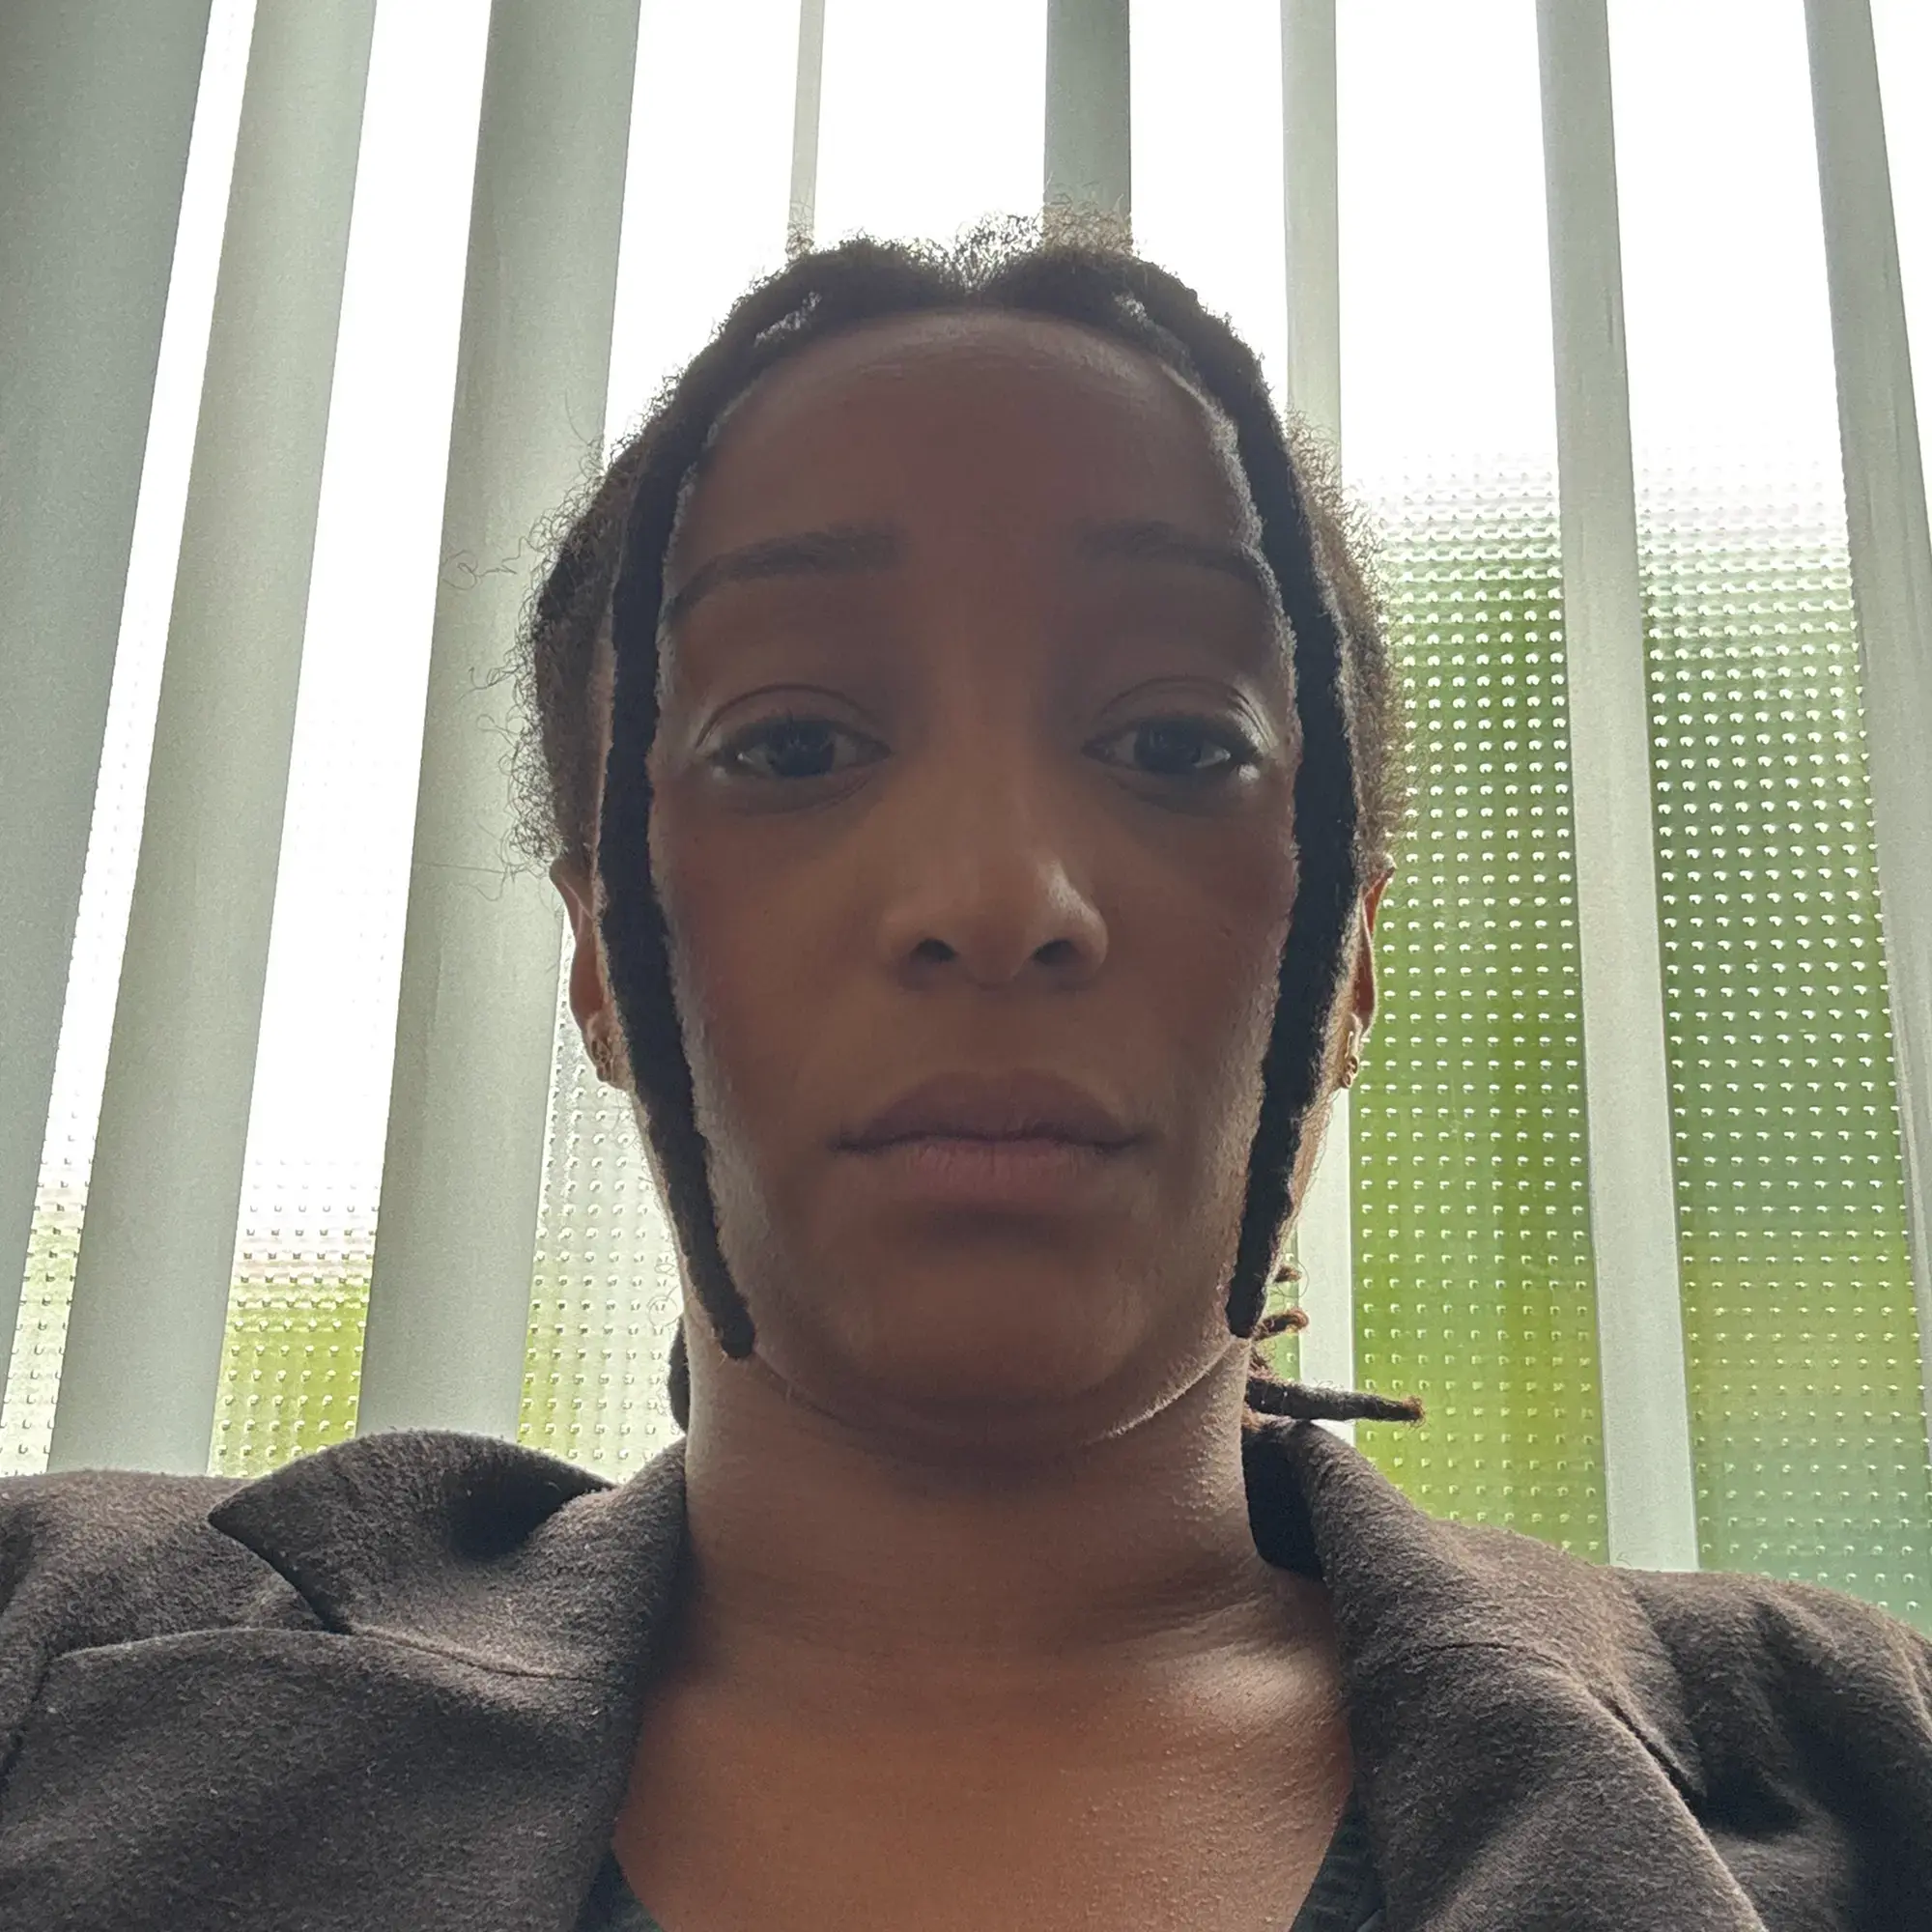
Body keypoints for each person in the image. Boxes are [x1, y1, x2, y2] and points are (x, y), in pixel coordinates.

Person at [1, 228, 1927, 1932]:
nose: (1000, 897)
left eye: (1176, 743)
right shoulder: (43, 1647)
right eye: (793, 745)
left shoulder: (1871, 1764)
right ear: (603, 959)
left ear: (1346, 963)